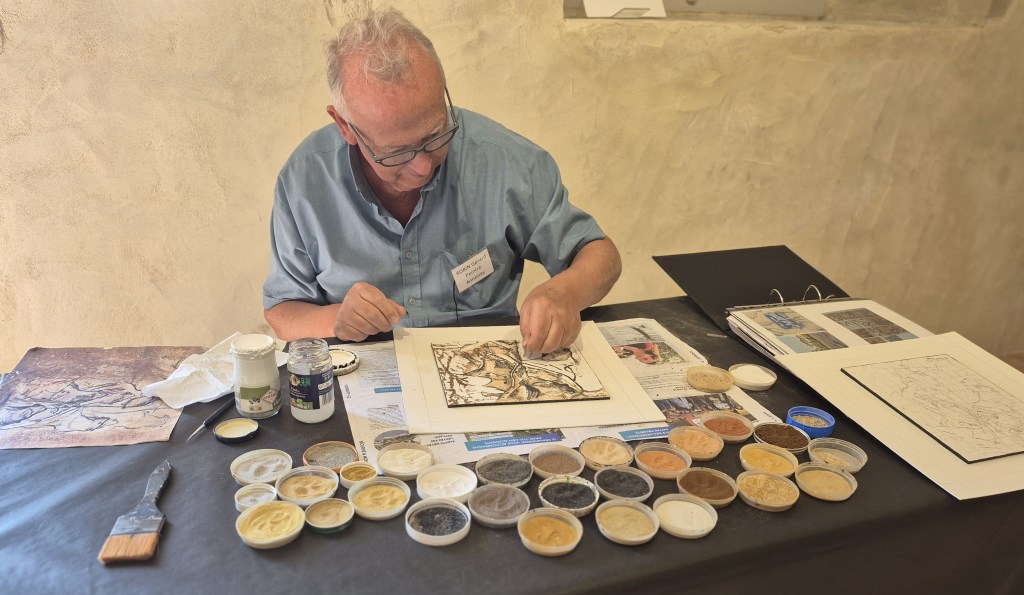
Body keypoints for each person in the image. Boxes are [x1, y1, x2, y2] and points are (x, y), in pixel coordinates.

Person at [262, 7, 621, 354]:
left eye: (435, 134)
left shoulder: (505, 161)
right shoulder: (304, 182)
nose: (422, 167)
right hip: (368, 374)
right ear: (345, 126)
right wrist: (336, 319)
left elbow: (601, 255)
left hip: (486, 370)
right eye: (396, 152)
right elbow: (282, 312)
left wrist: (564, 294)